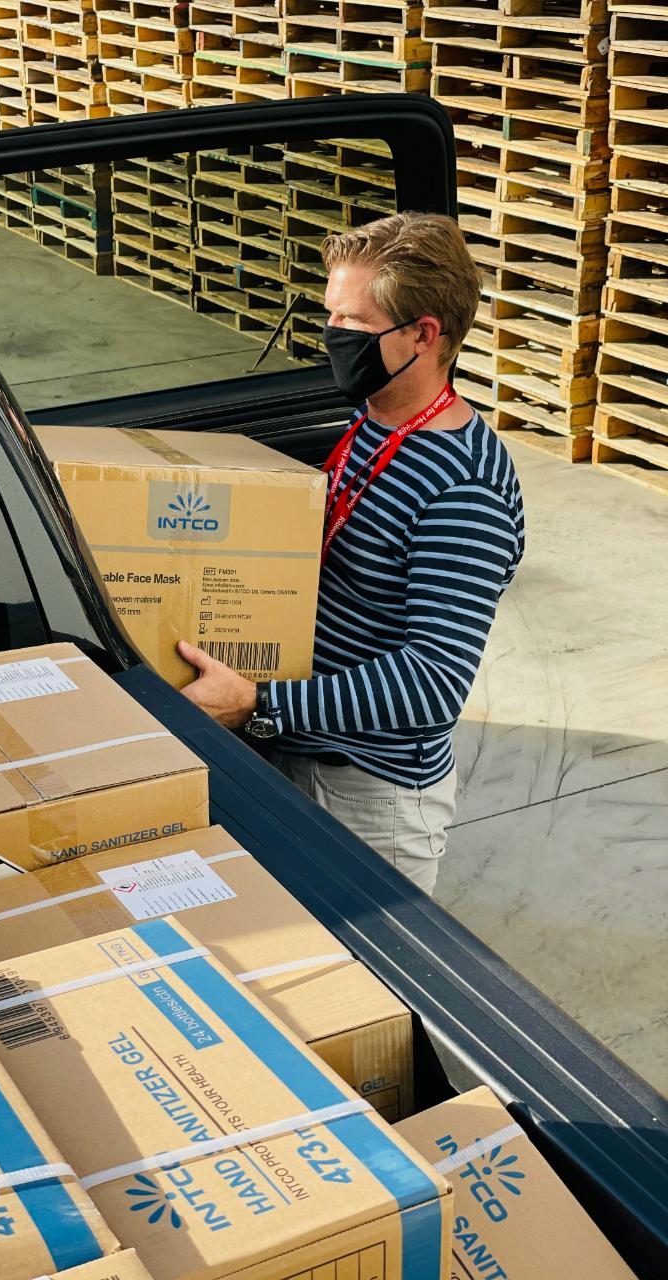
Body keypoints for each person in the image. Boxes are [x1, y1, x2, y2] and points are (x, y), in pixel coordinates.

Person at [177, 212, 525, 896]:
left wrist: (256, 703)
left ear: (424, 335)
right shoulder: (373, 420)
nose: (332, 338)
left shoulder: (463, 489)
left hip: (365, 797)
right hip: (293, 750)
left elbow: (433, 680)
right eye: (330, 315)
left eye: (353, 326)